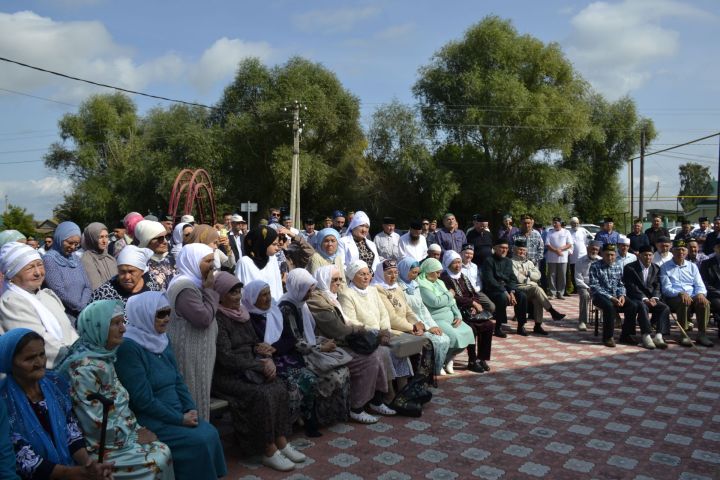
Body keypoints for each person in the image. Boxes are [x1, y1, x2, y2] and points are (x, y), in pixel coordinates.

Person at [55, 300, 174, 478]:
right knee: (157, 459)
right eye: (116, 323)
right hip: (101, 444)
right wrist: (133, 437)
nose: (123, 329)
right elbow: (94, 423)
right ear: (98, 327)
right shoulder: (83, 369)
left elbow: (119, 405)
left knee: (161, 450)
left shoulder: (102, 355)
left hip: (121, 433)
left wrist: (136, 430)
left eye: (123, 322)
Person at [115, 292, 226, 480]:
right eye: (160, 314)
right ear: (144, 314)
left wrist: (191, 409)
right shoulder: (129, 348)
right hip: (152, 417)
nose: (167, 319)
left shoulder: (161, 340)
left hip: (177, 412)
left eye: (168, 313)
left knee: (210, 432)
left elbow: (177, 380)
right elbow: (142, 399)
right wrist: (179, 418)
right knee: (198, 440)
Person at [212, 275, 303, 472]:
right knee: (261, 395)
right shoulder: (218, 319)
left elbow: (254, 344)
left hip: (250, 367)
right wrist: (258, 365)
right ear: (219, 296)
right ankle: (267, 450)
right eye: (232, 293)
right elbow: (226, 357)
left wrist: (266, 358)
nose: (237, 297)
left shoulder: (241, 314)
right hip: (228, 375)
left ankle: (281, 442)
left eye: (238, 292)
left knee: (278, 386)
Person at [0, 329, 113, 480]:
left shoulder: (54, 383)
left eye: (41, 354)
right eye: (29, 358)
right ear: (10, 362)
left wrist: (88, 464)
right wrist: (80, 474)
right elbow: (25, 459)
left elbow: (71, 430)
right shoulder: (4, 400)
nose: (39, 363)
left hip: (71, 469)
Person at [307, 266, 389, 422]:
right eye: (334, 280)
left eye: (339, 279)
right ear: (323, 280)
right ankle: (356, 407)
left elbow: (346, 321)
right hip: (328, 346)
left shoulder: (331, 296)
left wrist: (374, 330)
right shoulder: (317, 299)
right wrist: (358, 329)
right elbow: (336, 328)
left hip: (341, 342)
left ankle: (376, 400)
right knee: (369, 359)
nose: (338, 283)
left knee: (377, 352)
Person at [277, 270, 351, 430]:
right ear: (297, 288)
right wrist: (321, 347)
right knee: (334, 375)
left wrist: (322, 343)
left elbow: (309, 333)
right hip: (294, 355)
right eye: (307, 290)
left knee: (343, 368)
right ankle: (318, 418)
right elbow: (297, 342)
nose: (310, 294)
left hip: (308, 349)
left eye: (311, 289)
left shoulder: (300, 304)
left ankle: (332, 416)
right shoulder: (286, 308)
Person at [337, 260, 406, 410]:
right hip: (363, 338)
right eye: (362, 274)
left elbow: (384, 314)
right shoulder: (347, 294)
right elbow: (352, 322)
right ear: (352, 276)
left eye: (368, 273)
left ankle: (404, 390)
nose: (366, 277)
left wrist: (386, 331)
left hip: (381, 334)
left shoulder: (373, 290)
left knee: (401, 348)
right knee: (385, 352)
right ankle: (387, 394)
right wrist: (377, 333)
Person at [0, 243, 78, 368]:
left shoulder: (44, 295)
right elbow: (39, 342)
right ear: (12, 275)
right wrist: (78, 357)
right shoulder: (11, 303)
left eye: (40, 265)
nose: (38, 272)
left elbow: (68, 330)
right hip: (48, 372)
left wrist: (82, 350)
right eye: (30, 268)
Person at [165, 243, 219, 422]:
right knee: (193, 396)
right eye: (207, 261)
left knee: (200, 393)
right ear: (192, 262)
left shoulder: (195, 283)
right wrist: (210, 290)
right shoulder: (185, 287)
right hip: (190, 355)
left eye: (212, 260)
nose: (212, 265)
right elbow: (203, 318)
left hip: (198, 354)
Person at [416, 258, 474, 374]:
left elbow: (452, 302)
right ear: (428, 271)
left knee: (468, 332)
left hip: (450, 316)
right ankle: (440, 361)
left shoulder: (440, 282)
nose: (439, 276)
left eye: (439, 273)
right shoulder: (422, 285)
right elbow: (435, 302)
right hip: (437, 318)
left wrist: (458, 315)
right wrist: (449, 294)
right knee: (454, 337)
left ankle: (449, 358)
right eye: (436, 272)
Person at [440, 251, 494, 373]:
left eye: (459, 262)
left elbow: (473, 293)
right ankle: (472, 360)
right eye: (455, 263)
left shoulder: (463, 276)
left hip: (471, 310)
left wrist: (475, 304)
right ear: (448, 264)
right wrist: (471, 303)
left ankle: (482, 358)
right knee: (472, 328)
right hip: (457, 311)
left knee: (488, 325)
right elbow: (453, 297)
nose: (458, 265)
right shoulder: (445, 278)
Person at [396, 258, 451, 376]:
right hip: (410, 324)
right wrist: (426, 327)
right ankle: (428, 373)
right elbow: (407, 312)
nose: (416, 276)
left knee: (444, 338)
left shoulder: (414, 285)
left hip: (422, 322)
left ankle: (435, 369)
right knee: (436, 341)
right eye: (413, 272)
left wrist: (433, 325)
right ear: (404, 271)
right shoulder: (398, 288)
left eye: (417, 272)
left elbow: (422, 308)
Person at [660, 239, 713, 347]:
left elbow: (699, 284)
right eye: (678, 250)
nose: (681, 252)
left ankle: (702, 334)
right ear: (672, 251)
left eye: (683, 250)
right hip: (674, 297)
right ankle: (684, 334)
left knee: (704, 302)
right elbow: (666, 288)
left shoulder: (692, 266)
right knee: (684, 301)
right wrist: (680, 293)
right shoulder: (665, 267)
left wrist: (700, 294)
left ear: (687, 251)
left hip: (693, 295)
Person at [589, 244, 638, 348]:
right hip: (599, 296)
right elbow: (594, 286)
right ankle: (608, 337)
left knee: (632, 306)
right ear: (602, 254)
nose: (610, 257)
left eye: (612, 255)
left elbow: (621, 284)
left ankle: (626, 335)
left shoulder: (617, 266)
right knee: (609, 306)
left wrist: (622, 295)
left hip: (616, 295)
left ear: (615, 255)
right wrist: (611, 298)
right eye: (607, 255)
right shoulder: (595, 266)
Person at [41, 222, 92, 321]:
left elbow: (87, 286)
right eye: (69, 242)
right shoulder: (49, 259)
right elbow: (58, 291)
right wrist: (80, 307)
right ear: (59, 238)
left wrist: (83, 305)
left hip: (82, 313)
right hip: (63, 315)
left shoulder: (75, 259)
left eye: (76, 244)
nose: (73, 247)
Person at [623, 245, 670, 349]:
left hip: (652, 298)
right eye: (645, 255)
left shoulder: (656, 268)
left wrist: (655, 298)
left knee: (664, 308)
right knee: (642, 306)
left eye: (650, 255)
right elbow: (631, 286)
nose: (648, 257)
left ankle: (659, 335)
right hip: (636, 297)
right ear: (639, 255)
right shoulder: (630, 268)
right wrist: (644, 298)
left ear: (653, 256)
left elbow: (658, 286)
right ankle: (646, 335)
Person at [511, 240, 565, 329]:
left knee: (537, 299)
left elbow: (538, 276)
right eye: (520, 250)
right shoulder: (511, 262)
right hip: (519, 288)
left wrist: (528, 273)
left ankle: (538, 325)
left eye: (524, 250)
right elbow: (518, 278)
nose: (522, 252)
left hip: (531, 288)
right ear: (515, 250)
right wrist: (530, 279)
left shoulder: (529, 262)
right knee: (536, 288)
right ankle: (552, 311)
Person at [482, 238, 529, 337]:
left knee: (522, 296)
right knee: (502, 297)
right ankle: (498, 327)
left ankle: (521, 325)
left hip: (507, 288)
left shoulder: (508, 261)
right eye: (502, 248)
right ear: (495, 248)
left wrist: (511, 291)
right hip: (492, 289)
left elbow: (512, 278)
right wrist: (505, 292)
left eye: (506, 248)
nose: (504, 250)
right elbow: (490, 280)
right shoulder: (488, 260)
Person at [91, 245, 161, 309]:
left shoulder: (150, 281)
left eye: (131, 271)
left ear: (142, 271)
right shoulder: (104, 294)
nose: (127, 277)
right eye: (122, 271)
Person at [235, 226, 283, 299]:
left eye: (277, 244)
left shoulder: (272, 259)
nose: (277, 248)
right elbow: (240, 291)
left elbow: (278, 287)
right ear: (262, 243)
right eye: (274, 244)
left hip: (274, 307)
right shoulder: (245, 262)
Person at [135, 220, 176, 290]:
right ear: (146, 241)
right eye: (160, 239)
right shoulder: (139, 266)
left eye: (166, 237)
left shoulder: (171, 260)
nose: (165, 242)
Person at [80, 222, 117, 290]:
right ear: (92, 238)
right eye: (100, 237)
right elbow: (96, 287)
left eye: (106, 236)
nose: (104, 241)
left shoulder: (110, 259)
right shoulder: (86, 260)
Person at [574, 241, 602, 331]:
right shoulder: (580, 261)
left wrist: (596, 287)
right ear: (587, 248)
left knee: (607, 294)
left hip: (598, 285)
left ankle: (604, 320)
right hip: (584, 285)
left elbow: (603, 277)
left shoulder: (602, 261)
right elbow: (578, 278)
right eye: (592, 249)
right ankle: (582, 321)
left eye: (596, 249)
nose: (594, 251)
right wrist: (587, 287)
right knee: (585, 295)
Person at [545, 217, 574, 299]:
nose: (554, 224)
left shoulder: (566, 232)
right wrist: (555, 250)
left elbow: (569, 244)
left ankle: (560, 292)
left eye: (556, 223)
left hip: (562, 257)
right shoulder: (550, 232)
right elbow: (547, 244)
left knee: (562, 275)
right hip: (552, 257)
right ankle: (552, 293)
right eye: (553, 223)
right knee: (552, 275)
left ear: (560, 223)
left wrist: (560, 249)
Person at [567, 217, 590, 295]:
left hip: (583, 255)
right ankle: (576, 288)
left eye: (577, 223)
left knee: (583, 272)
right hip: (573, 256)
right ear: (571, 224)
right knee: (574, 272)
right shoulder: (568, 232)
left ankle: (584, 287)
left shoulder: (583, 231)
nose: (576, 224)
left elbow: (587, 242)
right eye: (574, 223)